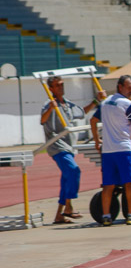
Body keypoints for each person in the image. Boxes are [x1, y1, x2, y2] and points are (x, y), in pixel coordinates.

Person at [89, 75, 131, 226]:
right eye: (129, 88)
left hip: (108, 151)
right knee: (129, 183)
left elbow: (92, 120)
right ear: (120, 87)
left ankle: (106, 216)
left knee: (108, 185)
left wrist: (96, 140)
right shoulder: (127, 104)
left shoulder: (105, 103)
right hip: (124, 149)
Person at [41, 76, 102, 224]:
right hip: (57, 146)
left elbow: (81, 112)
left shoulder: (67, 104)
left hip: (69, 147)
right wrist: (50, 107)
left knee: (66, 179)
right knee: (74, 171)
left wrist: (95, 101)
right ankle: (68, 207)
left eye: (62, 84)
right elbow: (42, 120)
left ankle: (58, 215)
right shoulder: (48, 105)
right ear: (51, 89)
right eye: (57, 85)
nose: (61, 87)